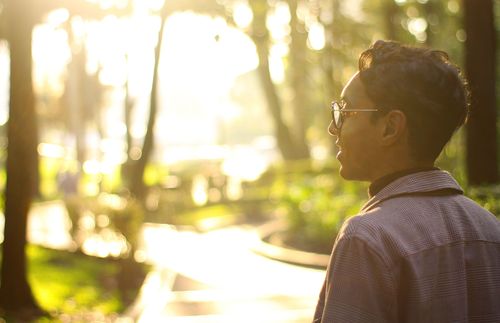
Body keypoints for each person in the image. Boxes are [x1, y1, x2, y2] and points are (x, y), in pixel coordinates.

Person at [313, 40, 500, 322]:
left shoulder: (367, 237)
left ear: (390, 127)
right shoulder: (490, 230)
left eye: (346, 112)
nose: (333, 127)